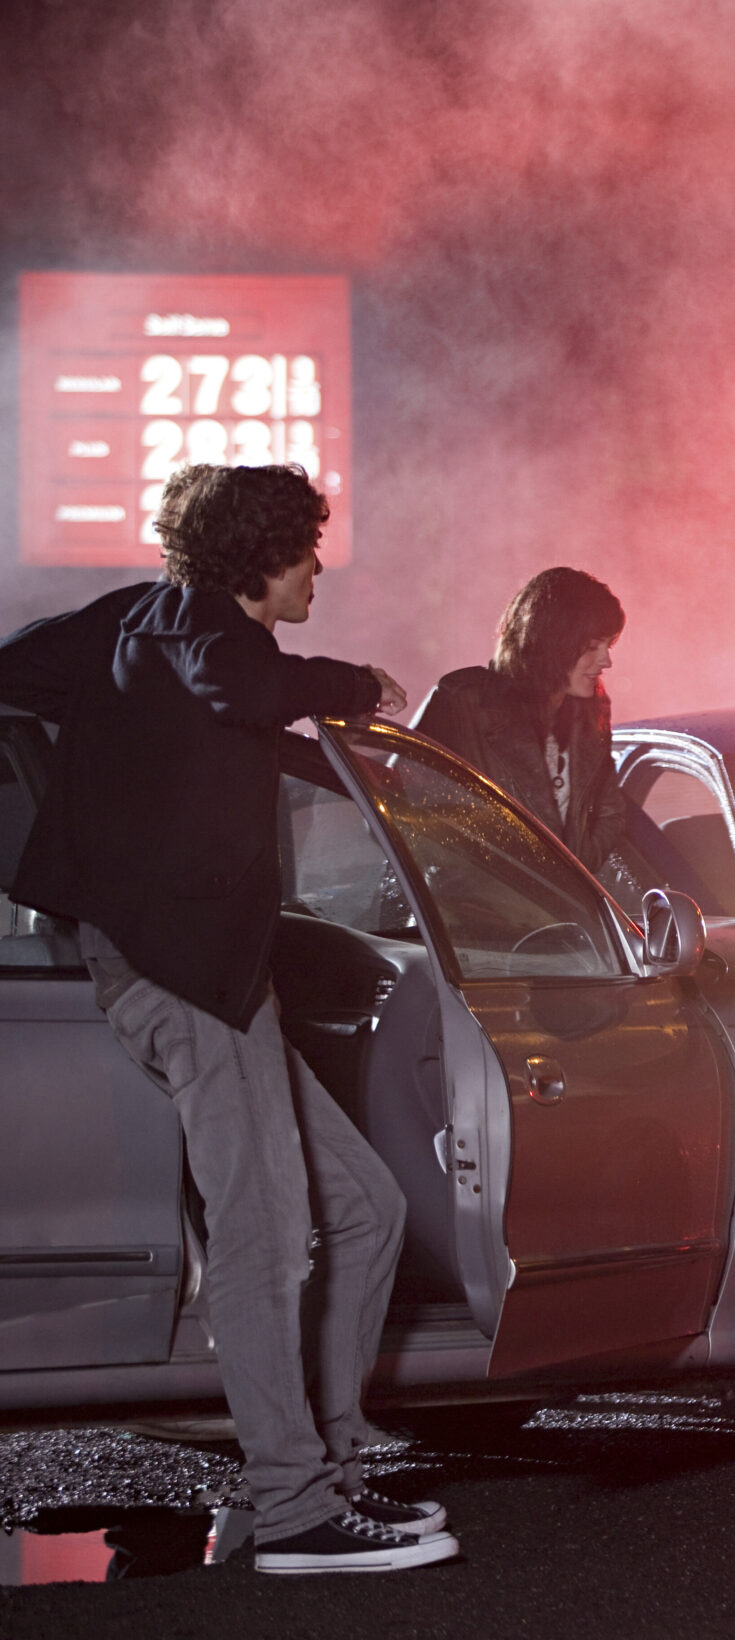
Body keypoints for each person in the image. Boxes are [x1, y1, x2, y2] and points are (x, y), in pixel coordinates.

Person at [0, 462, 458, 1573]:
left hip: (202, 974)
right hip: (185, 975)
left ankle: (330, 1467)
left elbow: (28, 671)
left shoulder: (133, 623)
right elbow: (244, 688)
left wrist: (114, 754)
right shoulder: (214, 632)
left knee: (363, 1210)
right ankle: (295, 1509)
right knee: (261, 1237)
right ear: (264, 555)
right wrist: (355, 683)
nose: (316, 573)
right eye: (306, 553)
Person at [414, 566, 650, 910]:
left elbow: (608, 811)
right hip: (471, 931)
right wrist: (496, 891)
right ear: (552, 643)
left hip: (563, 923)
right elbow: (406, 813)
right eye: (592, 647)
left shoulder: (590, 710)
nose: (607, 661)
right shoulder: (463, 700)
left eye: (608, 645)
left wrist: (571, 874)